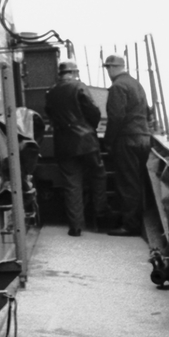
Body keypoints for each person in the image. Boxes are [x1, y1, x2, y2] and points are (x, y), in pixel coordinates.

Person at [44, 60, 109, 237]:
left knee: (72, 183)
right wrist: (89, 127)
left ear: (60, 74)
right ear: (74, 72)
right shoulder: (79, 87)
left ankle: (76, 226)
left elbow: (49, 113)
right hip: (85, 140)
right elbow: (93, 111)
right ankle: (100, 217)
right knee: (98, 175)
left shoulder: (51, 92)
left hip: (63, 142)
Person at [103, 53, 151, 236]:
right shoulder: (135, 84)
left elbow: (116, 117)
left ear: (111, 68)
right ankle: (136, 221)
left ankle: (130, 225)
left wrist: (108, 141)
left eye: (107, 68)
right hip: (143, 138)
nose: (107, 71)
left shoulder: (117, 86)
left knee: (127, 183)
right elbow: (147, 111)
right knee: (137, 181)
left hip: (127, 139)